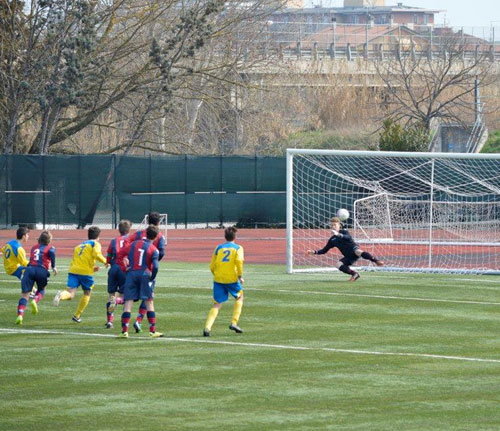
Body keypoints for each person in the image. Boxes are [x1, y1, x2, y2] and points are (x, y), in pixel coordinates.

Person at [52, 226, 108, 323]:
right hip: (84, 273)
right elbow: (96, 254)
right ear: (98, 237)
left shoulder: (79, 246)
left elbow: (79, 260)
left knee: (70, 293)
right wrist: (105, 261)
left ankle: (61, 295)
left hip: (73, 271)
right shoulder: (95, 243)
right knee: (87, 293)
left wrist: (91, 268)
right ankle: (77, 315)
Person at [117, 224, 162, 338]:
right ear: (156, 237)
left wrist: (124, 268)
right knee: (149, 302)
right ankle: (152, 331)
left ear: (146, 234)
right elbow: (156, 267)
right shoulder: (154, 250)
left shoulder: (133, 244)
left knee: (128, 303)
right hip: (144, 275)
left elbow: (120, 254)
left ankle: (124, 332)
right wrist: (151, 278)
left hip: (131, 274)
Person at [306, 216, 384, 281]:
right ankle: (354, 274)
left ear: (339, 225)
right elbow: (324, 250)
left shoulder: (344, 232)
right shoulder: (332, 239)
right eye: (332, 225)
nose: (333, 226)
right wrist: (313, 252)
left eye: (335, 225)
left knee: (358, 251)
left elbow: (347, 237)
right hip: (348, 257)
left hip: (353, 250)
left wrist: (338, 234)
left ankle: (376, 261)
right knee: (338, 264)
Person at [127, 211, 166, 334]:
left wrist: (129, 258)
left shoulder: (139, 233)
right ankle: (140, 322)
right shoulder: (158, 235)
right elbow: (162, 252)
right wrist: (154, 260)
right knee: (148, 297)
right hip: (147, 270)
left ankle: (119, 303)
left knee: (133, 296)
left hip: (134, 269)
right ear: (158, 222)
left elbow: (127, 242)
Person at [203, 226, 245, 337]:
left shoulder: (218, 248)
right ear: (235, 237)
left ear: (225, 236)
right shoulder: (238, 248)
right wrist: (240, 276)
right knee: (240, 297)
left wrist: (216, 274)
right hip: (231, 278)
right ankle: (234, 322)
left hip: (218, 279)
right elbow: (239, 261)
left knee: (217, 304)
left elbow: (212, 265)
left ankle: (207, 327)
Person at [16, 231, 57, 325]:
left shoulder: (33, 247)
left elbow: (31, 260)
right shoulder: (50, 248)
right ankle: (35, 300)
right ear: (49, 240)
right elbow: (52, 253)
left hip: (30, 270)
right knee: (42, 289)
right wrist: (54, 267)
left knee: (24, 295)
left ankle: (20, 315)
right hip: (42, 270)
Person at [104, 219, 132, 329]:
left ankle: (110, 321)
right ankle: (123, 321)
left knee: (111, 294)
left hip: (113, 268)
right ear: (129, 230)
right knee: (123, 296)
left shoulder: (114, 240)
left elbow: (108, 256)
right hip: (123, 269)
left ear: (119, 230)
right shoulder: (130, 240)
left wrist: (109, 263)